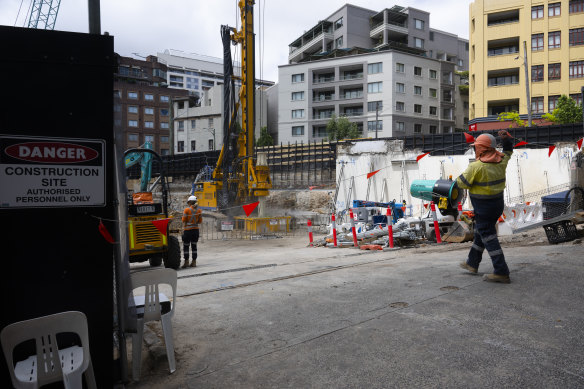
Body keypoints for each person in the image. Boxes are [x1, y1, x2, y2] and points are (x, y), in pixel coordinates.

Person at [456, 130, 513, 283]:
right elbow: (508, 151)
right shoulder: (502, 160)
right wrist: (506, 139)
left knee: (488, 236)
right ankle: (472, 263)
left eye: (476, 147)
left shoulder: (476, 167)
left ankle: (501, 271)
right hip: (497, 205)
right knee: (482, 233)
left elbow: (461, 183)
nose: (475, 149)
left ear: (481, 149)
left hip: (483, 208)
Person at [181, 195, 202, 268]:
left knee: (186, 246)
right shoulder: (199, 210)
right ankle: (194, 262)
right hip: (195, 231)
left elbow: (183, 220)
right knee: (194, 246)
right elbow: (200, 221)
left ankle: (186, 262)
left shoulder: (186, 210)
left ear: (189, 202)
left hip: (187, 231)